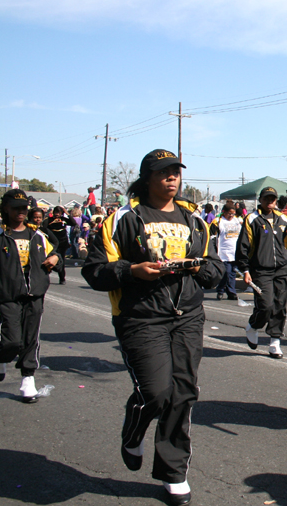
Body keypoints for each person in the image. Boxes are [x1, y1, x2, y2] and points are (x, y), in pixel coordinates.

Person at [81, 149, 223, 506]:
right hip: (141, 317)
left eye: (176, 171)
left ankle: (174, 473)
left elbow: (214, 269)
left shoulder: (196, 221)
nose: (172, 177)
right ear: (148, 178)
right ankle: (134, 433)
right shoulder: (122, 219)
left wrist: (198, 269)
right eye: (164, 172)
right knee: (157, 391)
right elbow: (94, 271)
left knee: (183, 392)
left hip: (188, 316)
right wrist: (131, 271)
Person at [0, 189, 61, 401]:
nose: (21, 211)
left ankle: (28, 379)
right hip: (7, 295)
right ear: (5, 208)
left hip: (34, 294)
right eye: (16, 207)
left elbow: (54, 252)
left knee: (31, 337)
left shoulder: (37, 234)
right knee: (11, 340)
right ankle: (2, 358)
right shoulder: (1, 235)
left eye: (24, 208)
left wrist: (55, 259)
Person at [236, 187, 287, 358]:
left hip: (282, 269)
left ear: (276, 201)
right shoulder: (252, 219)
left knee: (280, 305)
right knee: (266, 305)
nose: (270, 201)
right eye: (266, 198)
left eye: (273, 199)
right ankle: (254, 326)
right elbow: (243, 246)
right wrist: (245, 270)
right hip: (261, 270)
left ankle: (275, 342)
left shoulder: (282, 218)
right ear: (260, 200)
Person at [210, 202, 243, 301]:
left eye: (233, 214)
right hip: (223, 251)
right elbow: (211, 235)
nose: (231, 216)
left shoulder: (238, 220)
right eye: (229, 213)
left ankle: (229, 292)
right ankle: (223, 290)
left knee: (232, 272)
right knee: (226, 272)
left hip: (235, 251)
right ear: (224, 212)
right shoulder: (218, 221)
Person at [42, 205, 76, 284]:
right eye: (56, 212)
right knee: (49, 260)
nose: (57, 214)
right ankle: (45, 276)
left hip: (62, 243)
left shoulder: (63, 220)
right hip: (52, 244)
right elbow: (43, 228)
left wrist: (67, 213)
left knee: (61, 261)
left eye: (59, 212)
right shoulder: (49, 220)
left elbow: (73, 223)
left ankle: (62, 278)